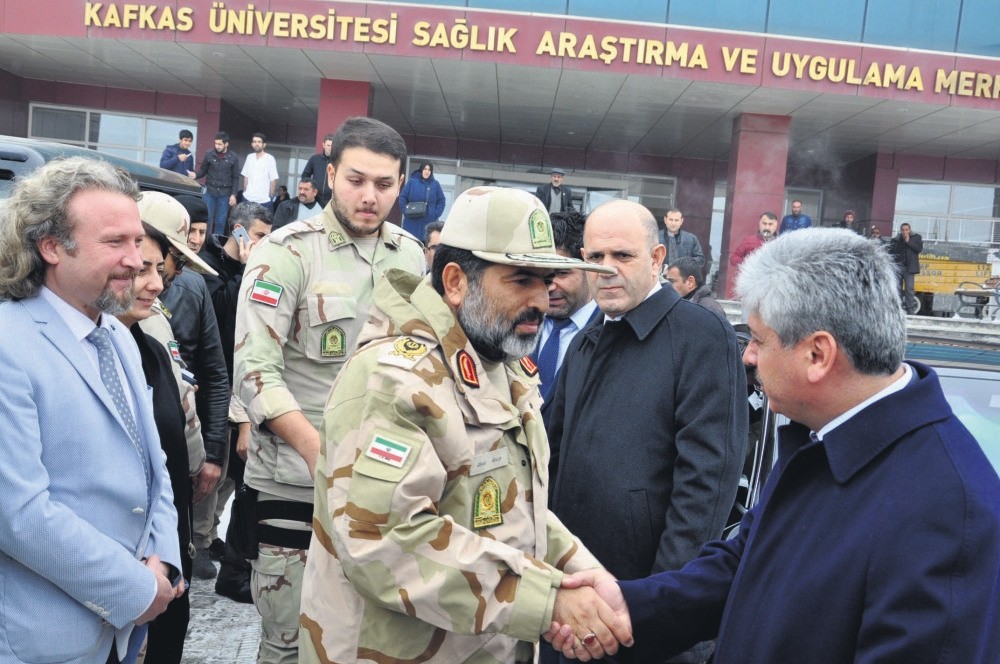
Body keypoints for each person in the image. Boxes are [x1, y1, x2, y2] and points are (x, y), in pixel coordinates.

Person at [550, 228, 1000, 663]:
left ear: (817, 355)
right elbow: (742, 565)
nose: (748, 356)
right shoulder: (825, 439)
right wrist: (630, 604)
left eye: (759, 340)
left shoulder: (948, 512)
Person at [298, 186, 630, 664]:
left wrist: (581, 572)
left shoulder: (497, 359)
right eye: (521, 280)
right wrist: (548, 600)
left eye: (548, 278)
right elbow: (384, 540)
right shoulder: (394, 380)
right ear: (455, 282)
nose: (543, 296)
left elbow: (510, 507)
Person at [233, 116, 426, 664]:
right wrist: (328, 459)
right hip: (296, 485)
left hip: (381, 493)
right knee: (290, 643)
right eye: (356, 180)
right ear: (330, 173)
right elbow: (255, 371)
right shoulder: (287, 252)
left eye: (384, 185)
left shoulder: (410, 257)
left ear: (401, 186)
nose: (369, 196)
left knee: (366, 641)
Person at [544, 199, 748, 664]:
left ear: (657, 259)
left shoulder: (701, 337)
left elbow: (705, 489)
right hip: (574, 608)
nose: (607, 269)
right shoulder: (587, 340)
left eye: (622, 256)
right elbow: (551, 463)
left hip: (641, 624)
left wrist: (657, 611)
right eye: (595, 258)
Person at [0, 156, 183, 663]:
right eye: (115, 242)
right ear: (52, 246)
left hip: (117, 637)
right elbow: (18, 515)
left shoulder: (117, 337)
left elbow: (154, 466)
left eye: (137, 240)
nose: (138, 258)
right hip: (42, 641)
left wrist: (163, 560)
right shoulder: (8, 344)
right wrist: (136, 589)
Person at [137, 192, 228, 583]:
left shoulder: (192, 290)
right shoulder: (105, 313)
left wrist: (212, 453)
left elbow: (213, 373)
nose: (160, 280)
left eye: (165, 267)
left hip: (177, 470)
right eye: (149, 266)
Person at [117, 224, 196, 664]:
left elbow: (166, 465)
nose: (155, 283)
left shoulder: (153, 352)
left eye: (157, 269)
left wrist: (170, 555)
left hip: (165, 570)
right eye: (140, 268)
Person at [199, 201, 273, 604]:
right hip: (218, 384)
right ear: (240, 232)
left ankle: (218, 545)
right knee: (221, 468)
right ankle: (219, 554)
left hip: (241, 385)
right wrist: (244, 268)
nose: (264, 243)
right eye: (259, 235)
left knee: (235, 478)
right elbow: (225, 312)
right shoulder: (208, 266)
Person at [532, 209, 599, 405]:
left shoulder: (613, 333)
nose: (550, 285)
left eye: (561, 273)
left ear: (589, 267)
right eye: (541, 274)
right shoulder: (516, 321)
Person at [195, 131, 241, 236]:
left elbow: (235, 177)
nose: (217, 146)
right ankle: (205, 242)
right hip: (210, 191)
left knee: (220, 221)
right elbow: (203, 171)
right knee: (207, 219)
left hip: (225, 193)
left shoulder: (233, 157)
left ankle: (216, 244)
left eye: (219, 144)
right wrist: (195, 175)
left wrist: (233, 194)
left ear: (226, 144)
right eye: (215, 143)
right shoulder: (209, 154)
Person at [398, 161, 447, 239]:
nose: (427, 171)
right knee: (410, 244)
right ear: (421, 170)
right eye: (425, 169)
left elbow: (441, 200)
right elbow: (402, 197)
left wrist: (435, 214)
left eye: (429, 169)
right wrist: (405, 210)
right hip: (411, 222)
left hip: (428, 222)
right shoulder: (412, 182)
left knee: (426, 246)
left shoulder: (435, 184)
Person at [728, 212, 778, 276]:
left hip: (772, 282)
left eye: (770, 224)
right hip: (751, 281)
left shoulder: (781, 243)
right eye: (764, 223)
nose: (767, 227)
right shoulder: (748, 241)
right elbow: (733, 258)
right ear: (759, 224)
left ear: (776, 225)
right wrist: (748, 262)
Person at [890, 222, 923, 314]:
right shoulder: (896, 239)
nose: (904, 232)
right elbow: (892, 252)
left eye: (906, 230)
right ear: (900, 230)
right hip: (898, 267)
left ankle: (910, 309)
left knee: (909, 289)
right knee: (897, 289)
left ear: (909, 230)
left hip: (909, 268)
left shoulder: (916, 238)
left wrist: (909, 241)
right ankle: (898, 309)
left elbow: (919, 249)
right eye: (903, 230)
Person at [241, 132, 279, 212]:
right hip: (247, 198)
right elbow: (246, 177)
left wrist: (270, 196)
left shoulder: (270, 159)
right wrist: (245, 192)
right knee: (245, 224)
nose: (256, 144)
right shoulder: (249, 157)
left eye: (259, 142)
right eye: (254, 142)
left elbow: (273, 180)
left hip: (264, 201)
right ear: (252, 144)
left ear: (264, 145)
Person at [300, 133, 334, 207]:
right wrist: (310, 189)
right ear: (323, 145)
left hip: (331, 201)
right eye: (328, 145)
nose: (330, 148)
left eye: (332, 146)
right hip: (315, 199)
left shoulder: (337, 161)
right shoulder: (315, 159)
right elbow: (305, 176)